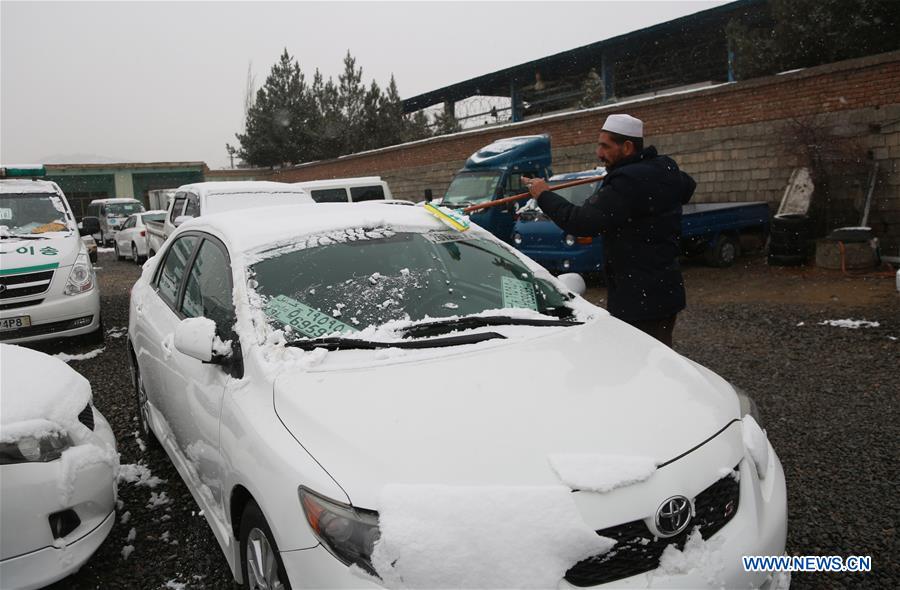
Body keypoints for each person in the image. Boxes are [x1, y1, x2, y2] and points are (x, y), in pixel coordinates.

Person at [523, 114, 696, 347]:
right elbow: (687, 185)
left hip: (638, 299)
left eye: (605, 146)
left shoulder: (628, 182)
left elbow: (581, 222)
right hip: (665, 292)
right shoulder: (664, 167)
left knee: (639, 362)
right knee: (661, 357)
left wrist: (543, 194)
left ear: (627, 147)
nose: (599, 153)